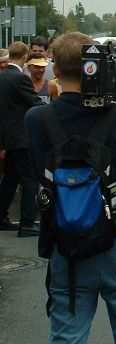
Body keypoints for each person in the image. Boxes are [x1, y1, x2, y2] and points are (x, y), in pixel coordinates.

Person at [25, 32, 116, 342]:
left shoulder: (37, 119)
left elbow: (35, 169)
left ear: (55, 68)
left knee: (67, 336)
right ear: (95, 67)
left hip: (67, 241)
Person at [0, 41, 43, 236]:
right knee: (30, 179)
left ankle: (1, 217)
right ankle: (27, 223)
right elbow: (34, 102)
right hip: (22, 137)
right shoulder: (20, 78)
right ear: (25, 56)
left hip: (8, 137)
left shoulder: (2, 76)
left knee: (10, 178)